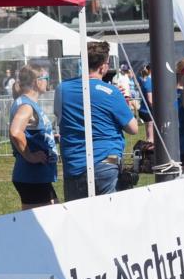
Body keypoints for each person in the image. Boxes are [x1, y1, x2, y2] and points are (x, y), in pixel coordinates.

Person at [55, 41, 138, 201]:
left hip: (74, 164)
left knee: (78, 219)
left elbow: (59, 117)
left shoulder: (62, 89)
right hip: (105, 163)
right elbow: (133, 128)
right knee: (109, 218)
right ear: (103, 67)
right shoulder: (111, 92)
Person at [8, 66, 58, 209]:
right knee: (44, 224)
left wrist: (50, 137)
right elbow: (15, 132)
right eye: (46, 79)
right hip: (32, 175)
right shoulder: (26, 106)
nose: (48, 82)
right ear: (37, 81)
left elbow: (30, 131)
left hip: (36, 176)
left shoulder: (26, 103)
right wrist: (30, 156)